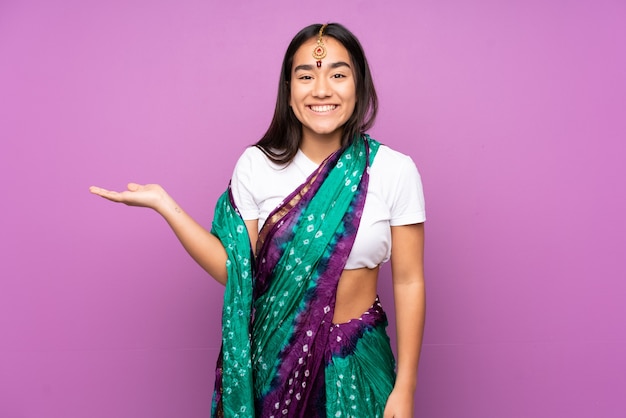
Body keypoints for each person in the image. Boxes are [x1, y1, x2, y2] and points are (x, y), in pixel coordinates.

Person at [90, 23, 425, 418]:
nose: (321, 89)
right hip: (274, 364)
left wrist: (405, 387)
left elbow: (408, 281)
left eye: (337, 74)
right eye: (306, 75)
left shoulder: (392, 169)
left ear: (359, 85)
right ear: (288, 87)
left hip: (356, 362)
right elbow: (236, 270)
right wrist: (167, 206)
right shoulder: (257, 165)